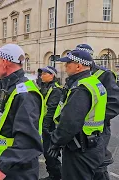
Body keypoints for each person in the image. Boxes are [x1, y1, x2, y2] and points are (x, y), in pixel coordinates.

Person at [0, 44, 44, 180]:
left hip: (16, 170)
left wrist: (3, 167)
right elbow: (6, 121)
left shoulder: (25, 93)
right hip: (3, 162)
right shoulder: (9, 87)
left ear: (4, 62)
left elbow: (27, 139)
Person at [49, 50, 107, 180]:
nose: (65, 66)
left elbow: (70, 122)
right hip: (95, 144)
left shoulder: (81, 88)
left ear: (79, 66)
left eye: (68, 63)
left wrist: (56, 142)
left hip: (80, 150)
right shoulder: (94, 82)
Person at [76, 44, 119, 180]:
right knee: (81, 164)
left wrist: (96, 118)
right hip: (78, 129)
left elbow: (114, 104)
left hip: (98, 130)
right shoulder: (77, 74)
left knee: (98, 165)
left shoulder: (104, 75)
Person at [38, 66, 62, 180]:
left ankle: (56, 175)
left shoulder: (55, 89)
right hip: (44, 124)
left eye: (44, 74)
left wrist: (45, 126)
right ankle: (52, 174)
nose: (41, 76)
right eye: (41, 74)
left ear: (52, 75)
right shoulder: (44, 87)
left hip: (50, 126)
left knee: (50, 152)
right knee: (46, 151)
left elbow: (51, 109)